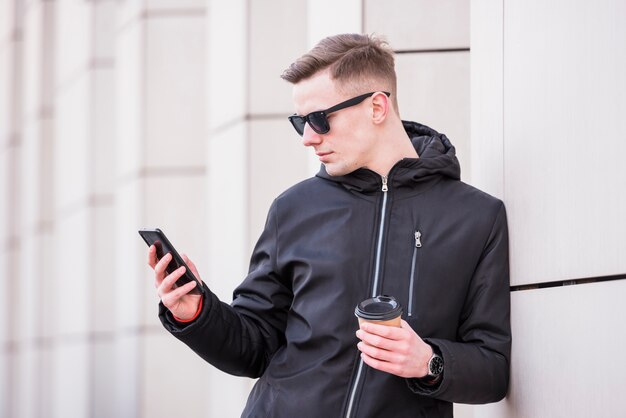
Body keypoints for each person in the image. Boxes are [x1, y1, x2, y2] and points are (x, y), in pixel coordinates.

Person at [148, 33, 510, 418]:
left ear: (376, 107)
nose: (308, 137)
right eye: (299, 122)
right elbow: (254, 348)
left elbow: (493, 368)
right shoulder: (294, 208)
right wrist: (197, 313)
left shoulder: (476, 217)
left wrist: (430, 361)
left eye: (320, 119)